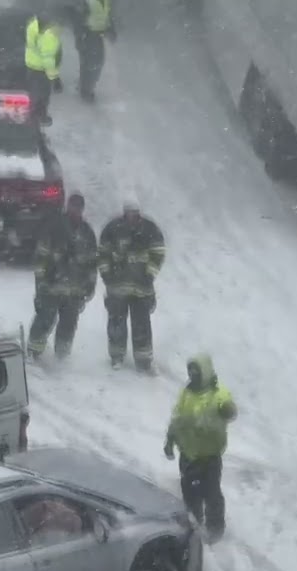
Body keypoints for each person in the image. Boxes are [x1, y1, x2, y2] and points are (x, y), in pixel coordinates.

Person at [163, 353, 238, 542]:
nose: (193, 375)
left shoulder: (218, 392)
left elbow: (228, 406)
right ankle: (194, 522)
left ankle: (215, 528)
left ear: (205, 371)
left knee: (211, 492)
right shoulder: (186, 393)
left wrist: (227, 410)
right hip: (188, 454)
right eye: (191, 371)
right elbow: (178, 418)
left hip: (210, 455)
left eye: (197, 371)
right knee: (189, 491)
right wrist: (170, 439)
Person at [28, 193, 98, 360]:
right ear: (68, 206)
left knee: (68, 325)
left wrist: (90, 286)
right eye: (73, 207)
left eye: (78, 208)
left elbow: (92, 263)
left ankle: (62, 356)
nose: (75, 210)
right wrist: (41, 281)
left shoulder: (87, 232)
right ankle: (33, 353)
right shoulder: (54, 226)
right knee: (45, 319)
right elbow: (41, 256)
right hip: (52, 286)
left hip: (75, 290)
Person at [98, 202, 165, 371]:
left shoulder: (150, 230)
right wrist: (107, 275)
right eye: (129, 212)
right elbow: (103, 253)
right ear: (124, 212)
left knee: (141, 323)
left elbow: (158, 253)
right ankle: (116, 356)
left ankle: (143, 360)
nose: (132, 216)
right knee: (116, 322)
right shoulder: (112, 229)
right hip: (117, 288)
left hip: (141, 289)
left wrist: (149, 274)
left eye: (135, 213)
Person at [25, 13, 63, 126]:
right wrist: (54, 77)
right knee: (43, 95)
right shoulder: (49, 36)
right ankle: (39, 117)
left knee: (34, 93)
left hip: (32, 65)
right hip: (42, 69)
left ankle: (32, 115)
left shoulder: (34, 24)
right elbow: (48, 59)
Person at [71, 0, 114, 101]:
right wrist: (79, 37)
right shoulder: (88, 2)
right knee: (92, 62)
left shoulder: (105, 1)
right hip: (88, 34)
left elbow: (106, 17)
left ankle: (84, 86)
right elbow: (78, 19)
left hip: (97, 35)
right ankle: (86, 90)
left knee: (93, 62)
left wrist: (110, 29)